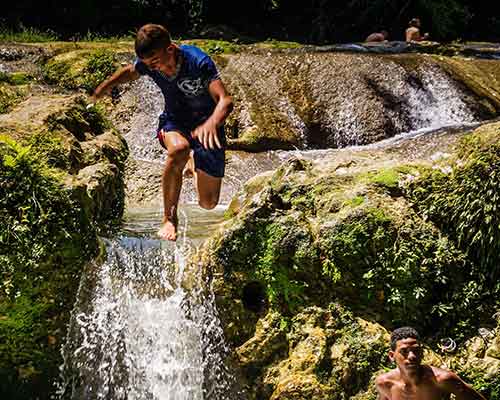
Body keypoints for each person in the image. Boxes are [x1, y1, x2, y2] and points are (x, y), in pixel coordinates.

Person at [92, 24, 233, 241]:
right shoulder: (150, 63)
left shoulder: (198, 61)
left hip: (207, 128)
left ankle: (193, 163)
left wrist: (212, 122)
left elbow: (225, 100)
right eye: (149, 65)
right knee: (179, 149)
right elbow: (131, 72)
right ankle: (169, 219)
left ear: (171, 49)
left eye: (156, 62)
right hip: (174, 122)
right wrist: (106, 85)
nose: (154, 68)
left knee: (208, 203)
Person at [376, 327, 487, 400]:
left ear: (422, 353)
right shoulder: (385, 383)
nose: (411, 356)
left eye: (416, 350)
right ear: (392, 356)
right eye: (404, 351)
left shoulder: (441, 379)